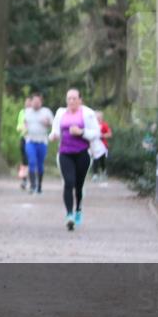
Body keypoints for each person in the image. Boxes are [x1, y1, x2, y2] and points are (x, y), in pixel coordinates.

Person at [49, 88, 104, 231]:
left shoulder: (87, 113)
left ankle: (78, 209)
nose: (71, 101)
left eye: (74, 98)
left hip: (82, 153)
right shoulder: (61, 113)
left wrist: (81, 132)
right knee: (69, 182)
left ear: (80, 100)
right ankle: (69, 215)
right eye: (69, 98)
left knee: (78, 185)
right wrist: (53, 136)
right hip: (65, 153)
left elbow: (96, 133)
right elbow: (54, 131)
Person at [23, 93, 54, 194]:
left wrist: (48, 123)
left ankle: (39, 186)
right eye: (34, 102)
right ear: (31, 102)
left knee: (40, 164)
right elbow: (23, 123)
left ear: (41, 102)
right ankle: (32, 186)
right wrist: (24, 128)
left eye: (38, 102)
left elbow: (53, 125)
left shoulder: (46, 112)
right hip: (30, 140)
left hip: (42, 141)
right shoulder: (27, 112)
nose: (36, 104)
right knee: (32, 161)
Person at [93, 111, 112, 181]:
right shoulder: (92, 125)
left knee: (102, 160)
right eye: (96, 117)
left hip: (103, 145)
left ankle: (104, 171)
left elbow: (110, 134)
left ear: (101, 117)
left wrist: (102, 135)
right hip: (94, 145)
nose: (97, 119)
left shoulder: (104, 125)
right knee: (95, 159)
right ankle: (95, 174)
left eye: (99, 117)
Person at [17, 96, 31, 190]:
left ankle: (32, 180)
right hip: (23, 138)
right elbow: (18, 125)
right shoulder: (22, 112)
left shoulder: (35, 113)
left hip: (33, 139)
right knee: (25, 160)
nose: (28, 104)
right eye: (26, 102)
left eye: (30, 103)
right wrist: (21, 128)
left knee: (31, 160)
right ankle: (24, 180)